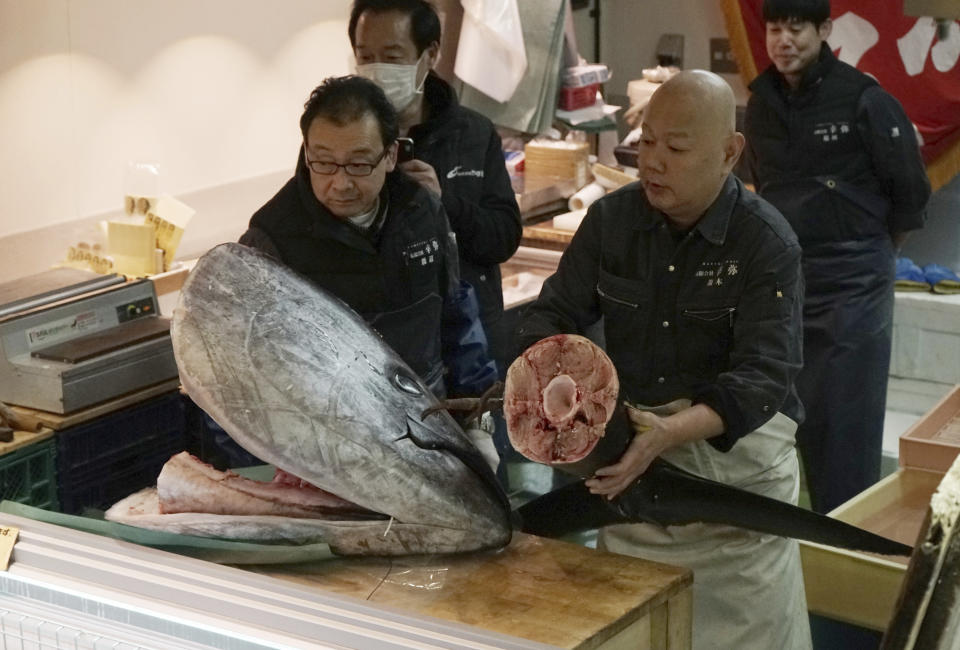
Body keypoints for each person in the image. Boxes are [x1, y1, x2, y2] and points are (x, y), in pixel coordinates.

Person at [516, 70, 812, 650]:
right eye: (646, 141)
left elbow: (763, 379)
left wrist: (668, 433)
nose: (653, 161)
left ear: (730, 153)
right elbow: (549, 316)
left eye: (675, 148)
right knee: (638, 630)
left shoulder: (766, 244)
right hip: (636, 481)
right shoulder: (612, 221)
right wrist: (561, 380)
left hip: (736, 495)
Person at [744, 0, 931, 514]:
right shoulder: (760, 102)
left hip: (856, 282)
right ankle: (799, 537)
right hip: (787, 279)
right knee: (786, 415)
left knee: (848, 422)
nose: (784, 40)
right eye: (775, 29)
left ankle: (851, 548)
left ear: (824, 30)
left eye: (796, 28)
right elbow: (761, 185)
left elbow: (910, 193)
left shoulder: (864, 99)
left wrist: (874, 256)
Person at [240, 75, 457, 397]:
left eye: (358, 164)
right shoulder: (271, 238)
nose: (340, 183)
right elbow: (248, 368)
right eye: (324, 163)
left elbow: (457, 312)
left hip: (426, 415)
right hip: (329, 428)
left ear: (390, 156)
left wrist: (475, 415)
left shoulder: (422, 209)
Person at [348, 0, 522, 380]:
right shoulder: (343, 140)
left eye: (393, 56)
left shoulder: (473, 133)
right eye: (366, 56)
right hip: (380, 358)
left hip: (472, 351)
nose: (378, 69)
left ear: (430, 55)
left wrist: (444, 204)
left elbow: (503, 237)